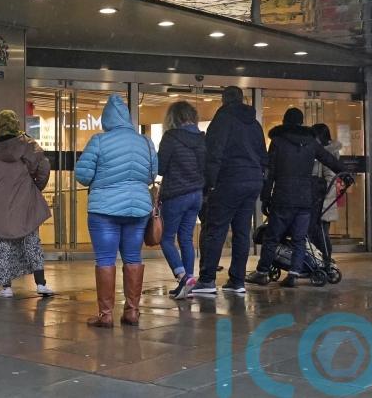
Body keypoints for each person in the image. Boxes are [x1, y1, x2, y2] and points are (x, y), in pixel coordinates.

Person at [75, 94, 155, 327]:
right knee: (133, 257)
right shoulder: (145, 142)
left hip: (104, 210)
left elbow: (83, 176)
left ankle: (106, 315)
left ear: (106, 119)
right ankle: (132, 311)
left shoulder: (99, 141)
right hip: (138, 208)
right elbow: (152, 174)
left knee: (105, 259)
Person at [247, 109, 342, 288]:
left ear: (285, 121)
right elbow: (329, 159)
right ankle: (294, 273)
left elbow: (270, 172)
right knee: (299, 238)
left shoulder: (278, 141)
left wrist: (265, 197)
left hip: (283, 197)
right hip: (305, 199)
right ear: (301, 122)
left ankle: (262, 272)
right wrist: (345, 172)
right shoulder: (311, 143)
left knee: (272, 238)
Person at [194, 86, 268, 295]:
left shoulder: (223, 119)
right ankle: (237, 280)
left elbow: (214, 153)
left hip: (229, 180)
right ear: (242, 99)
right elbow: (263, 156)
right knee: (242, 231)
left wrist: (209, 183)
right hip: (252, 181)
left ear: (224, 99)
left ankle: (207, 280)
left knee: (215, 229)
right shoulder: (254, 123)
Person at [0, 109, 53, 298]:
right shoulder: (28, 145)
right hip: (24, 199)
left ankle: (6, 287)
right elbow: (43, 166)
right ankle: (41, 284)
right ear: (16, 124)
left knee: (2, 245)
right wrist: (35, 187)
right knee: (32, 242)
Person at [156, 100, 206, 299]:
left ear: (173, 117)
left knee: (166, 238)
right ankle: (188, 283)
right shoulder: (202, 139)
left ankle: (183, 276)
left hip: (176, 195)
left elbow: (160, 168)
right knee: (186, 238)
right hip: (196, 194)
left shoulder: (170, 137)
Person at [309, 123, 344, 264]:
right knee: (318, 233)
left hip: (321, 201)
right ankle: (321, 261)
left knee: (321, 234)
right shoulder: (321, 152)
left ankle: (326, 261)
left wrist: (321, 200)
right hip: (319, 200)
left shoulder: (326, 154)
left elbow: (330, 179)